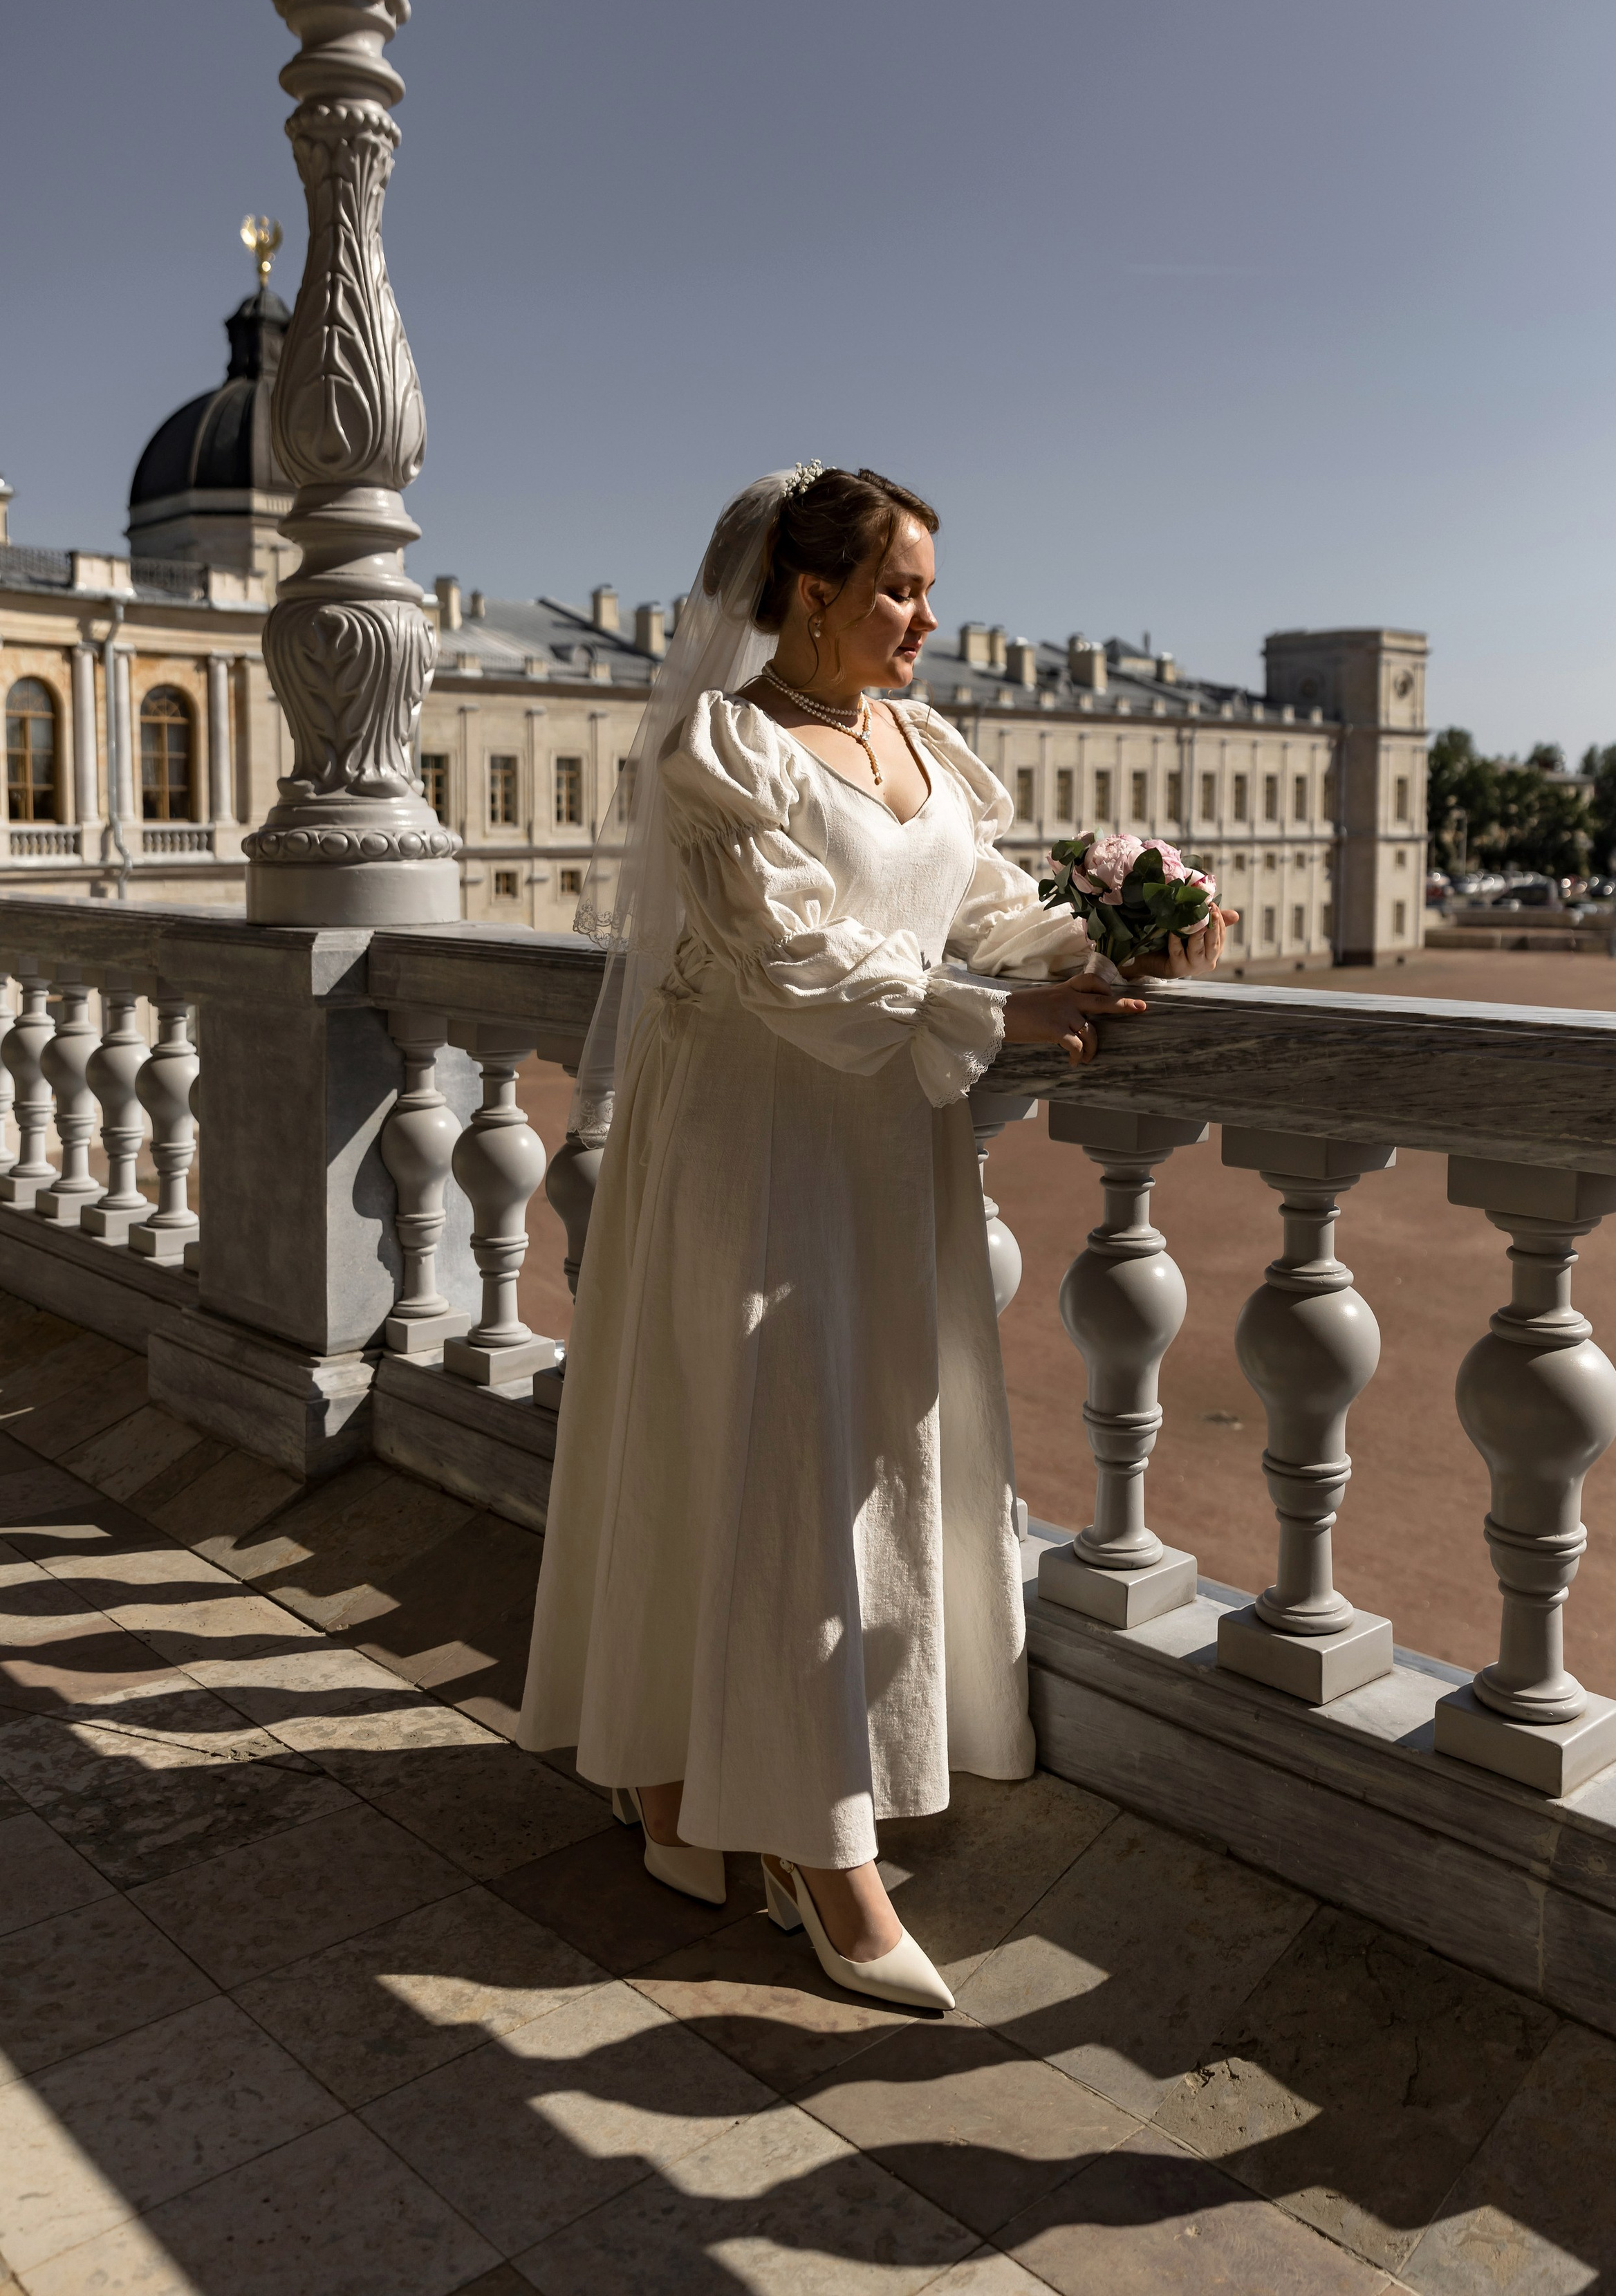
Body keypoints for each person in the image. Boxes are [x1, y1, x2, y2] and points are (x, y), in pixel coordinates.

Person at [519, 465, 1234, 2011]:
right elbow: (789, 956)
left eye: (927, 586)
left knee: (858, 1451)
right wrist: (991, 1013)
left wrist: (1118, 935)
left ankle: (693, 1801)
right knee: (769, 1452)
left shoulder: (914, 738)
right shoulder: (722, 748)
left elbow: (976, 908)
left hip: (877, 1139)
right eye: (898, 589)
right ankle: (815, 1853)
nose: (925, 617)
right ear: (806, 594)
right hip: (750, 1144)